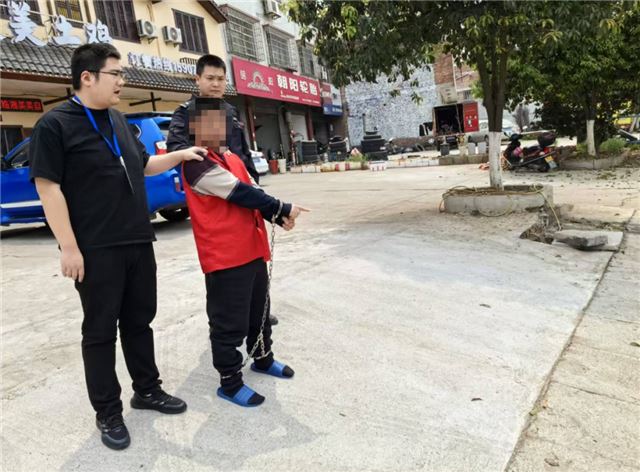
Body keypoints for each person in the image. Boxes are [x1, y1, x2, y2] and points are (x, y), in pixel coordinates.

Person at [29, 43, 206, 450]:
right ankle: (108, 411)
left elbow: (143, 165)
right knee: (99, 331)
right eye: (116, 74)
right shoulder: (55, 125)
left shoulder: (119, 120)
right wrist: (68, 247)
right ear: (87, 77)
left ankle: (147, 390)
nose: (122, 81)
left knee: (139, 321)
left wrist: (181, 154)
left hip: (137, 240)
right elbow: (48, 188)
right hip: (95, 249)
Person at [182, 97, 308, 407]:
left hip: (252, 247)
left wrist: (276, 215)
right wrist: (282, 207)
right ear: (196, 127)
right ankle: (230, 381)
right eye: (211, 121)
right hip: (224, 255)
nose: (220, 127)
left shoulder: (233, 158)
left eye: (223, 121)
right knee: (228, 321)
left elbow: (254, 191)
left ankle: (263, 358)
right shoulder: (197, 163)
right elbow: (237, 192)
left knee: (259, 310)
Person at [167, 53, 281, 326]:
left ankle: (259, 312)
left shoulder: (230, 111)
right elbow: (177, 151)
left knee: (254, 257)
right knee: (223, 265)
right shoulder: (186, 112)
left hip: (243, 191)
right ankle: (224, 326)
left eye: (220, 79)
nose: (216, 84)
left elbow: (242, 153)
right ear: (197, 79)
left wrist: (256, 191)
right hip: (215, 197)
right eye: (210, 78)